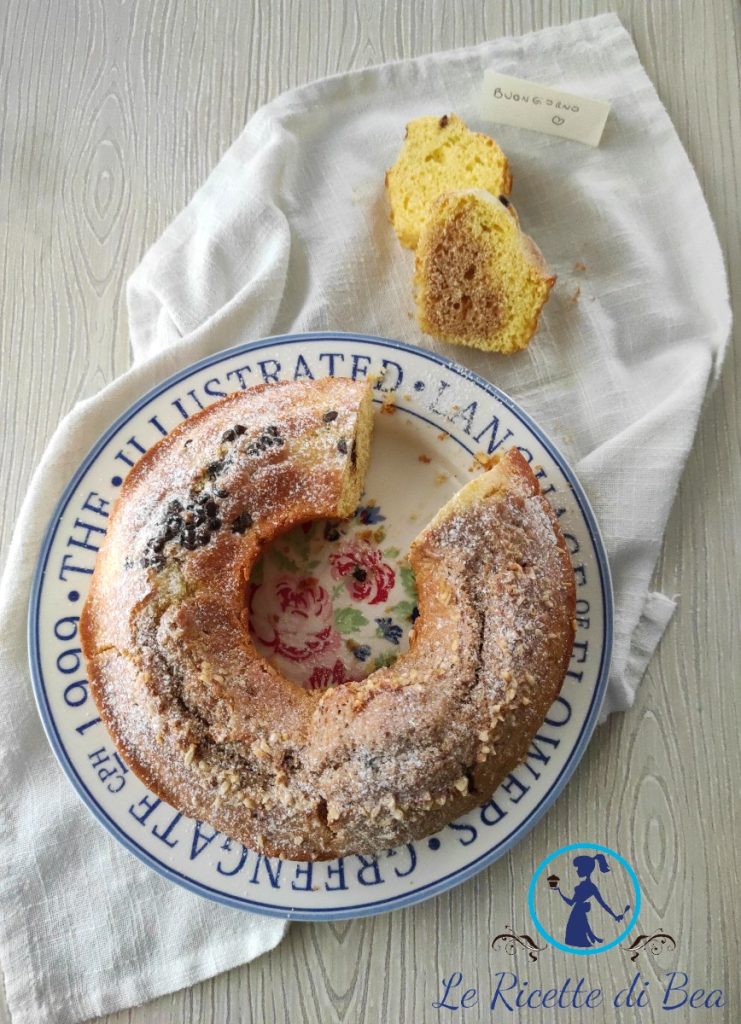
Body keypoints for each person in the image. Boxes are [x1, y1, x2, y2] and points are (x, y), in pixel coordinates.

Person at [554, 853, 627, 947]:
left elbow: (603, 904)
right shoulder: (581, 886)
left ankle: (593, 939)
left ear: (585, 870)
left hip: (578, 912)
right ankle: (593, 939)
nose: (577, 870)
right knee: (581, 933)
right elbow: (571, 903)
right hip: (576, 913)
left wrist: (614, 915)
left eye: (579, 868)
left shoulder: (591, 887)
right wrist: (559, 892)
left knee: (581, 935)